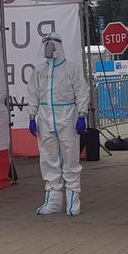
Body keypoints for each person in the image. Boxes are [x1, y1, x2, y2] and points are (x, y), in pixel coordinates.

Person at [26, 32, 90, 216]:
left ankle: (73, 200)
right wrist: (32, 116)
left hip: (68, 116)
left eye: (52, 45)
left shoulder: (71, 69)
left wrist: (82, 115)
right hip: (45, 118)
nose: (49, 48)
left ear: (59, 47)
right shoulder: (39, 71)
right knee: (48, 158)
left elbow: (82, 92)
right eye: (46, 45)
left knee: (70, 158)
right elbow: (33, 94)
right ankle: (53, 200)